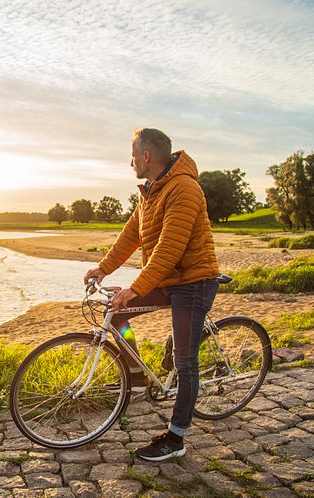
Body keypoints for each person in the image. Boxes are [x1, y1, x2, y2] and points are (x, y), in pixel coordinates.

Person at [83, 127, 219, 462]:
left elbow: (169, 250)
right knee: (119, 314)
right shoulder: (151, 192)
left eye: (133, 155)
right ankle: (137, 377)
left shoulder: (184, 189)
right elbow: (131, 236)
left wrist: (136, 287)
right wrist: (103, 269)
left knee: (185, 362)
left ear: (146, 156)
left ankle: (176, 438)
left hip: (194, 282)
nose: (130, 162)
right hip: (170, 279)